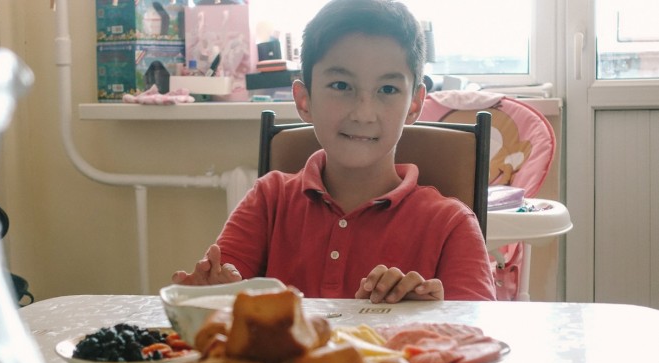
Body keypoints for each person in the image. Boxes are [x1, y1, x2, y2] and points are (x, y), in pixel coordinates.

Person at [172, 0, 496, 302]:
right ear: (304, 100)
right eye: (341, 86)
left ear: (414, 104)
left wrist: (431, 321)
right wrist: (206, 297)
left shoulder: (452, 225)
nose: (363, 113)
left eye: (387, 89)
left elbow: (477, 336)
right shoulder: (268, 200)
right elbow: (215, 304)